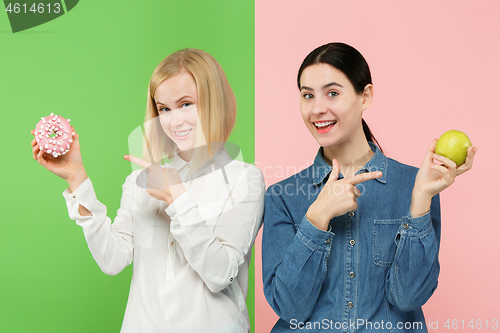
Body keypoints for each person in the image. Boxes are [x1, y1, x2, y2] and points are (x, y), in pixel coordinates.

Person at [31, 48, 265, 333]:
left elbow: (220, 275)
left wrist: (178, 198)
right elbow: (112, 260)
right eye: (164, 109)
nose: (174, 121)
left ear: (215, 102)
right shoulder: (141, 181)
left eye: (186, 104)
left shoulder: (245, 179)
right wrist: (77, 180)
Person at [262, 42, 476, 332]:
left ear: (366, 96)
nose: (317, 109)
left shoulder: (416, 186)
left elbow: (409, 297)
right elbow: (290, 308)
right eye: (307, 95)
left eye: (333, 93)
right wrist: (316, 219)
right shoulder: (281, 197)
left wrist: (421, 200)